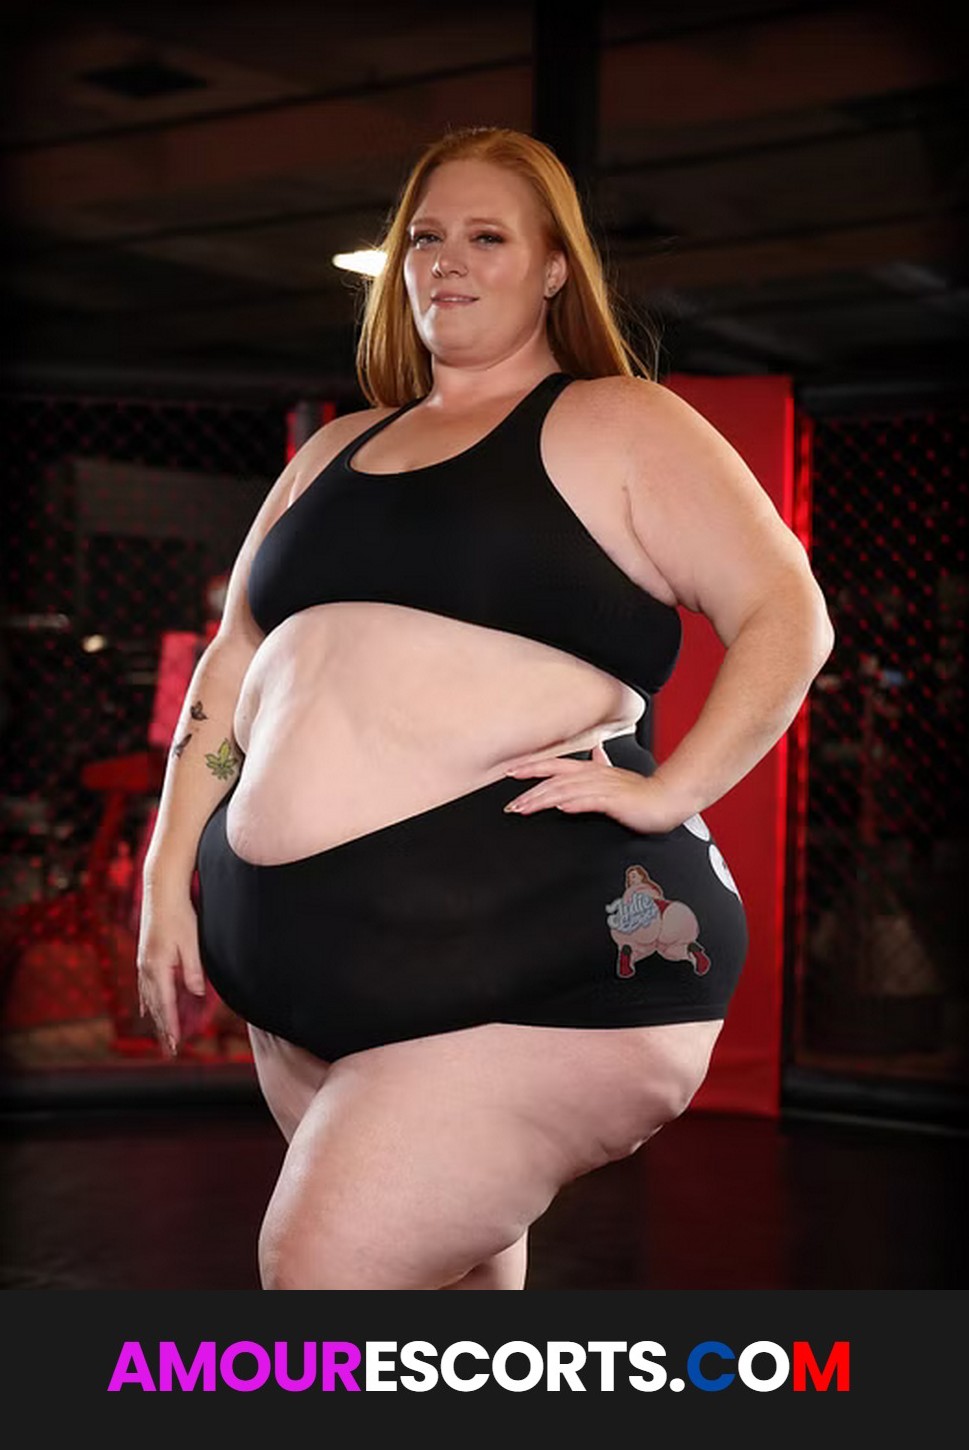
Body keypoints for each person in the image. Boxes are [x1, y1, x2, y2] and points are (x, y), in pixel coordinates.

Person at [136, 125, 834, 1291]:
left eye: (486, 236)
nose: (445, 260)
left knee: (319, 1274)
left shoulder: (620, 421)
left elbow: (787, 613)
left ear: (555, 267)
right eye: (424, 237)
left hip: (533, 960)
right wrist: (168, 875)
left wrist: (673, 788)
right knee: (450, 1292)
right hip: (300, 967)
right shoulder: (332, 449)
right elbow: (232, 662)